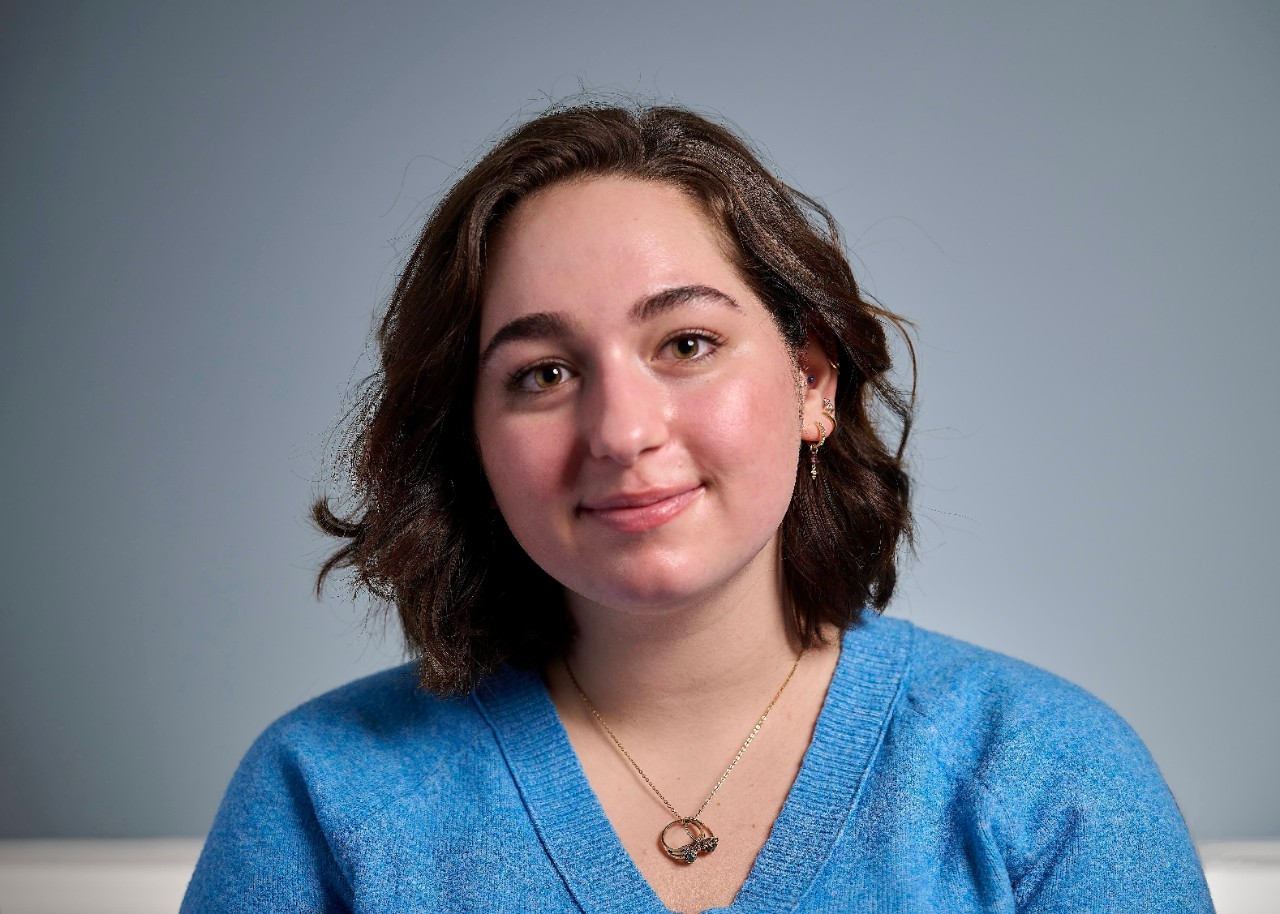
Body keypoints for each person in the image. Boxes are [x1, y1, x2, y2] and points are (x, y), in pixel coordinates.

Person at [181, 103, 1214, 913]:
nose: (621, 430)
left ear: (812, 382)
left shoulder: (1049, 773)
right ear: (471, 439)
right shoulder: (319, 792)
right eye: (541, 372)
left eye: (685, 343)